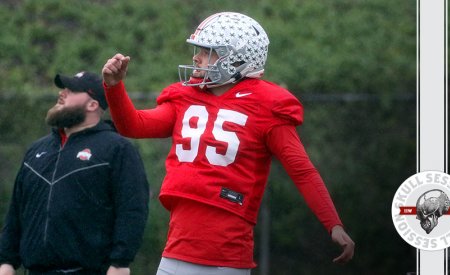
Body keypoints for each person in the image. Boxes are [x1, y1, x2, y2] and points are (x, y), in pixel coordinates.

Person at [102, 12, 355, 275]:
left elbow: (302, 171)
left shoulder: (267, 105)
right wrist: (115, 87)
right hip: (175, 252)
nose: (196, 57)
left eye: (207, 51)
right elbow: (132, 125)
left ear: (236, 58)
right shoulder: (186, 97)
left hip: (226, 260)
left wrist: (333, 224)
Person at [0, 71, 149, 275]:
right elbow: (17, 210)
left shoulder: (117, 149)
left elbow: (132, 210)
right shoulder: (36, 150)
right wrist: (6, 261)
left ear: (92, 104)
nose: (62, 93)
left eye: (71, 90)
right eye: (63, 89)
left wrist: (120, 263)